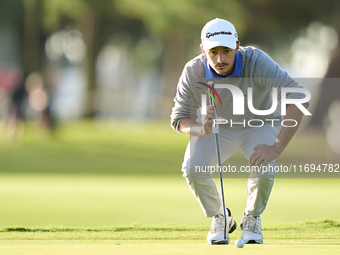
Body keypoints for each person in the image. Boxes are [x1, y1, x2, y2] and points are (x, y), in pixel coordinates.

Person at [170, 18, 309, 244]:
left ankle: (252, 217)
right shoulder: (193, 71)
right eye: (213, 52)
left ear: (237, 46)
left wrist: (277, 148)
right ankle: (221, 217)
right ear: (203, 50)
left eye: (226, 51)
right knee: (193, 168)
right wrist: (201, 127)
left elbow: (298, 97)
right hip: (216, 129)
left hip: (258, 124)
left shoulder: (257, 62)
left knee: (264, 165)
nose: (220, 59)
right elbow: (179, 119)